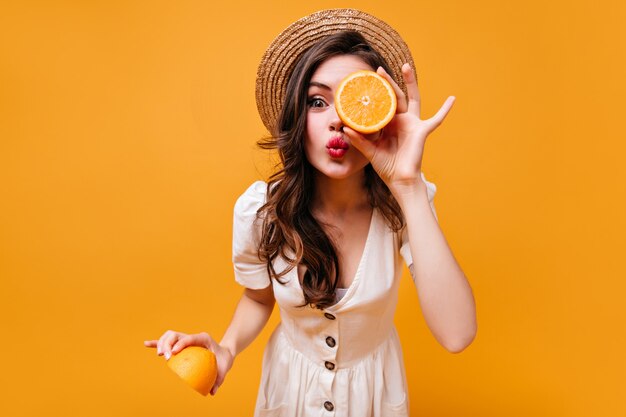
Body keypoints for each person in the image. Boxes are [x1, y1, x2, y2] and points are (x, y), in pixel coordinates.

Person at [144, 8, 477, 416]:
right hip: (290, 391)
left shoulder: (404, 205)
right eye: (317, 102)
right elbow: (258, 297)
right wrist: (226, 349)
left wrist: (407, 185)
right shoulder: (261, 210)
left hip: (373, 395)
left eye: (355, 102)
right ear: (296, 118)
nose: (337, 120)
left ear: (382, 116)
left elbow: (457, 334)